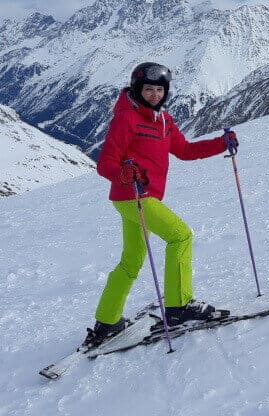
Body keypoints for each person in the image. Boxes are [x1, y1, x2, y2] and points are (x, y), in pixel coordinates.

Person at [84, 62, 238, 348]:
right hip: (134, 197)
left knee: (131, 261)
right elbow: (105, 163)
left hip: (139, 200)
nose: (154, 95)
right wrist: (123, 173)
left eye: (159, 90)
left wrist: (221, 143)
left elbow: (185, 151)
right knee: (180, 235)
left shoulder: (164, 120)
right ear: (136, 89)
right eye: (148, 89)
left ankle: (107, 321)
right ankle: (179, 307)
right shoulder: (126, 119)